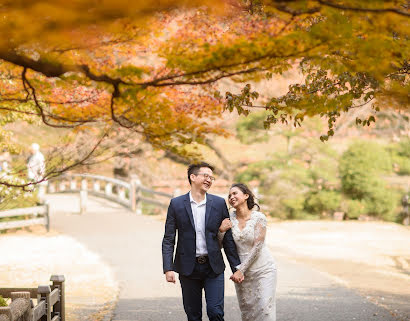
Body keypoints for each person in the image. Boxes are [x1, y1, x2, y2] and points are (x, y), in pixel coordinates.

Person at [162, 162, 242, 321]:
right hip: (187, 268)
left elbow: (227, 238)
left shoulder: (219, 203)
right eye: (205, 176)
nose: (209, 180)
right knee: (193, 315)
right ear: (193, 177)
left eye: (211, 177)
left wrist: (236, 267)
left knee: (215, 312)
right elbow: (169, 238)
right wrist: (168, 268)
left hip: (213, 267)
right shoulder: (176, 204)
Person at [218, 183, 277, 321]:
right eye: (229, 195)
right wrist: (221, 231)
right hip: (242, 274)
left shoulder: (259, 217)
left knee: (264, 309)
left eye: (235, 193)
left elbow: (258, 246)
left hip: (263, 270)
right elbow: (219, 245)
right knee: (247, 312)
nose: (231, 197)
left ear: (246, 196)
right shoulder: (228, 219)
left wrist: (240, 270)